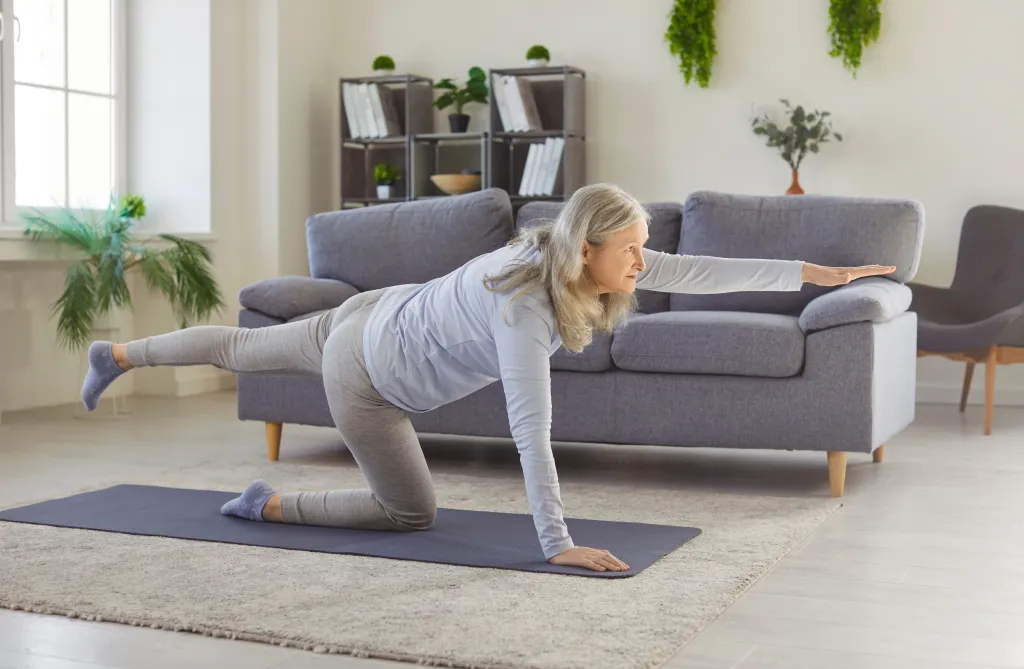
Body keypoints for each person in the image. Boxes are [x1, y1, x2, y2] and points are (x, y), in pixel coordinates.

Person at [80, 183, 894, 573]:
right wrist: (559, 545)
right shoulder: (526, 313)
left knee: (237, 347)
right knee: (410, 512)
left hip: (371, 313)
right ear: (588, 254)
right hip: (365, 377)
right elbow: (530, 434)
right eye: (634, 252)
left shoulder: (552, 248)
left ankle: (116, 355)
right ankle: (272, 503)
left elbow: (704, 268)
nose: (646, 264)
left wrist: (819, 273)